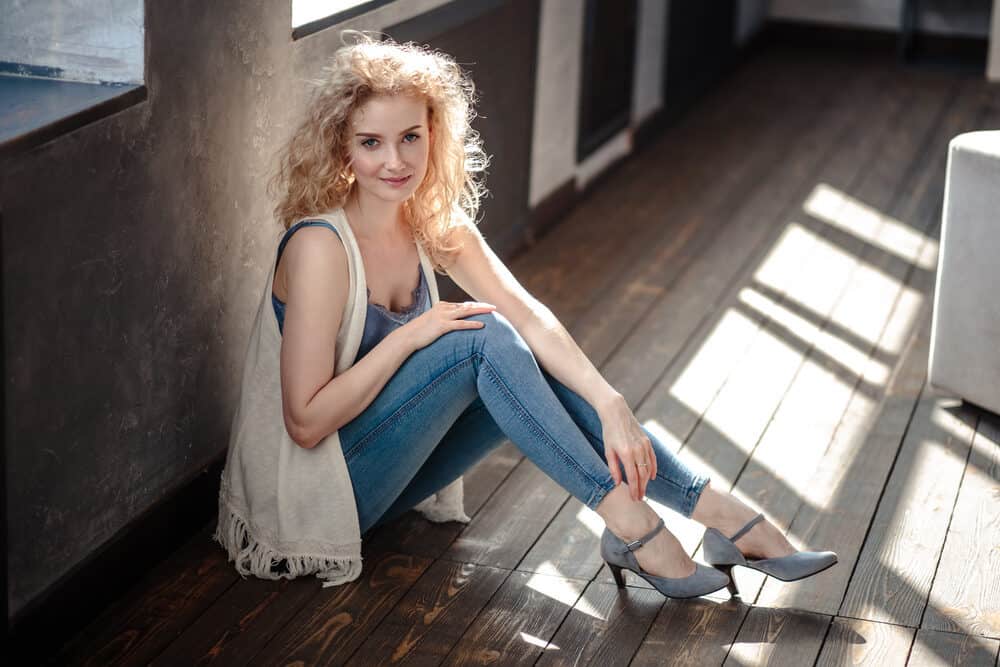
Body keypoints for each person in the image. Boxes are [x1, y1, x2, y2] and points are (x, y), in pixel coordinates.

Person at [216, 32, 836, 598]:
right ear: (341, 147)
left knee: (513, 344)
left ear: (434, 134)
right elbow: (304, 421)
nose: (395, 161)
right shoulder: (320, 247)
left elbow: (531, 316)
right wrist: (411, 340)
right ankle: (634, 523)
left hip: (385, 480)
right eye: (371, 143)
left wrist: (610, 401)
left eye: (411, 137)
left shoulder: (431, 222)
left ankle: (714, 513)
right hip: (309, 496)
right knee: (477, 336)